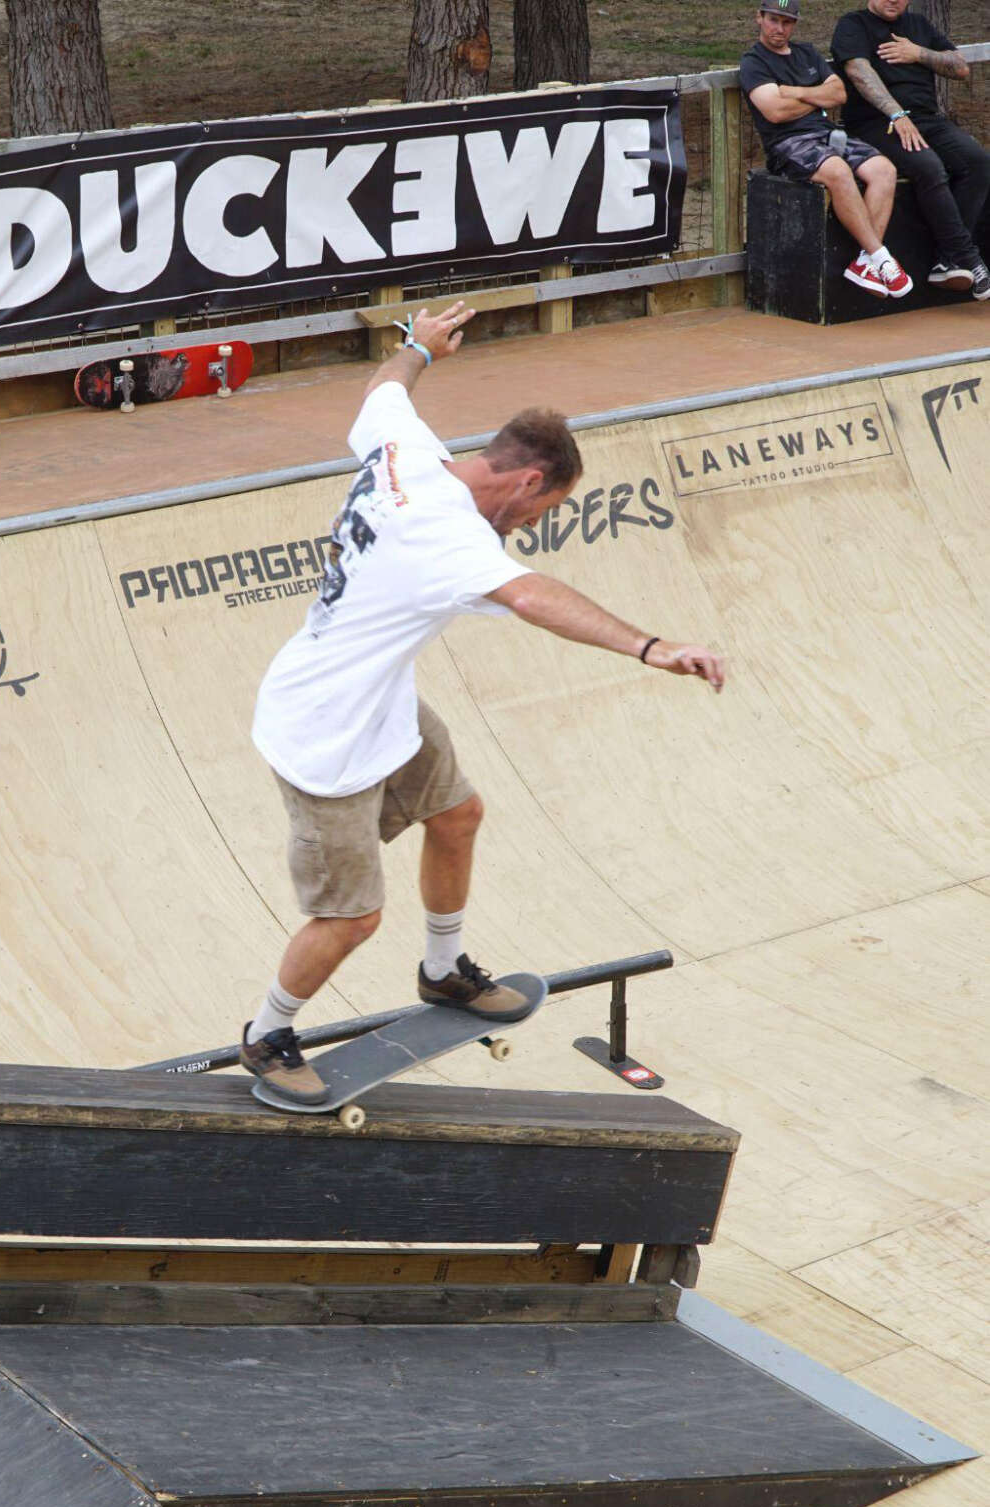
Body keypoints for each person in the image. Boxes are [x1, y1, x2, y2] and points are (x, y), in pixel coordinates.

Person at [240, 301, 726, 1104]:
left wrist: (418, 347)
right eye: (542, 510)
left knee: (457, 814)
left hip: (380, 698)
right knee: (351, 918)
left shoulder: (405, 449)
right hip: (321, 732)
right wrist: (650, 647)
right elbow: (533, 597)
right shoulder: (448, 535)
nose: (528, 526)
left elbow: (384, 388)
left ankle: (442, 971)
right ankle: (267, 1033)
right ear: (529, 480)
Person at [740, 0, 910, 298]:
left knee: (884, 169)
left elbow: (839, 93)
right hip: (787, 142)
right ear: (759, 18)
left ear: (795, 24)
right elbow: (776, 112)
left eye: (787, 22)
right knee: (838, 171)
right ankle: (882, 258)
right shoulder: (754, 62)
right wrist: (818, 97)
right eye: (773, 20)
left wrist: (794, 92)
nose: (779, 28)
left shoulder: (806, 52)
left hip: (827, 134)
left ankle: (864, 264)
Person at [832, 0, 990, 298]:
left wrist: (918, 53)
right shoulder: (853, 25)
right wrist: (896, 114)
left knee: (979, 163)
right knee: (929, 167)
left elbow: (960, 68)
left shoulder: (919, 25)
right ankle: (968, 258)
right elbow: (858, 72)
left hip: (927, 119)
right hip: (876, 122)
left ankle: (947, 260)